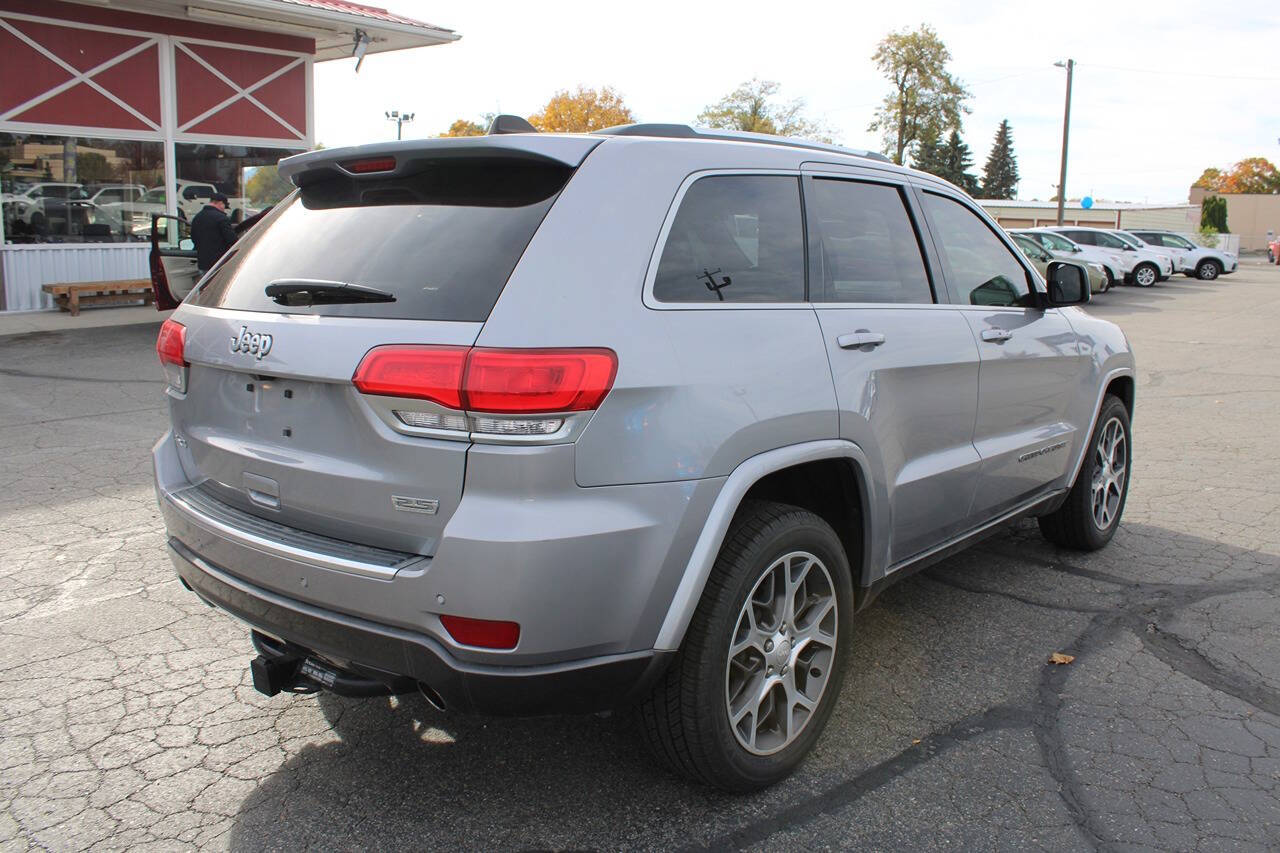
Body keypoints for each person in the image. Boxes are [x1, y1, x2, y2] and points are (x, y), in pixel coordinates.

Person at [190, 192, 237, 275]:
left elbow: (194, 238)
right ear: (220, 203)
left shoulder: (197, 217)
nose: (224, 209)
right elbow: (232, 240)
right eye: (224, 206)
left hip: (202, 263)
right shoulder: (222, 218)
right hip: (219, 264)